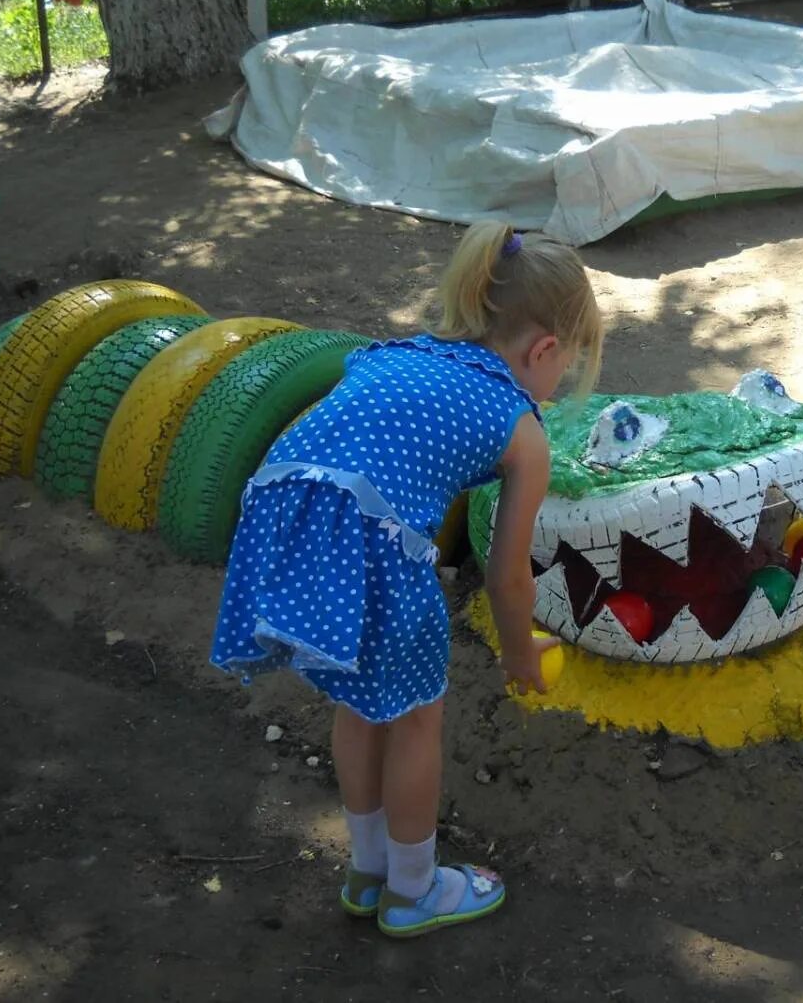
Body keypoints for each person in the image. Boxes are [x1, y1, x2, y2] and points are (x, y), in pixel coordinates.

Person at [210, 223, 603, 937]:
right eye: (568, 365)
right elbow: (509, 575)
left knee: (360, 700)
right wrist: (520, 655)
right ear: (544, 349)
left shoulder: (392, 353)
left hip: (281, 507)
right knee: (417, 716)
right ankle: (415, 889)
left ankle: (368, 871)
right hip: (367, 538)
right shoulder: (521, 427)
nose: (559, 381)